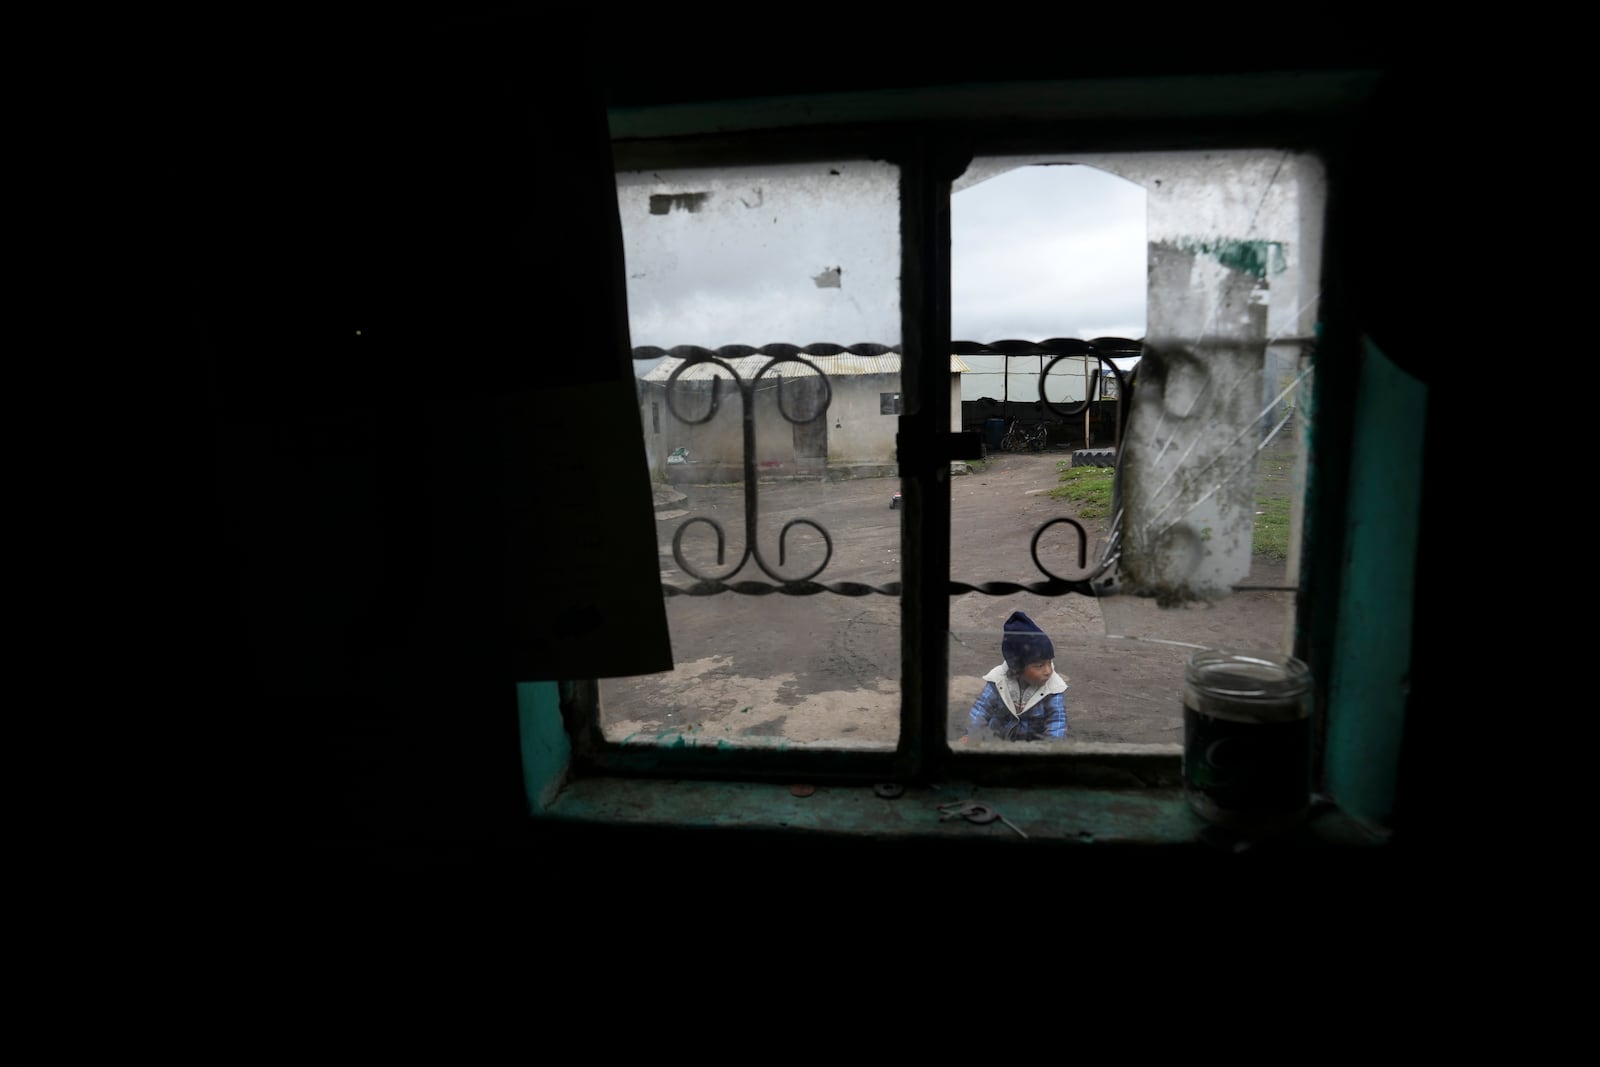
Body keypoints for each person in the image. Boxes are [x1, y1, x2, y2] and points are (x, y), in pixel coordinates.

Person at [960, 610, 1069, 742]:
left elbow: (1056, 721)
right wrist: (972, 734)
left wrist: (1052, 746)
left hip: (1034, 745)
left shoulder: (1053, 687)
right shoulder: (998, 680)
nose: (1048, 671)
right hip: (997, 741)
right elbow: (982, 709)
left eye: (1050, 662)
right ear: (1018, 668)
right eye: (1039, 665)